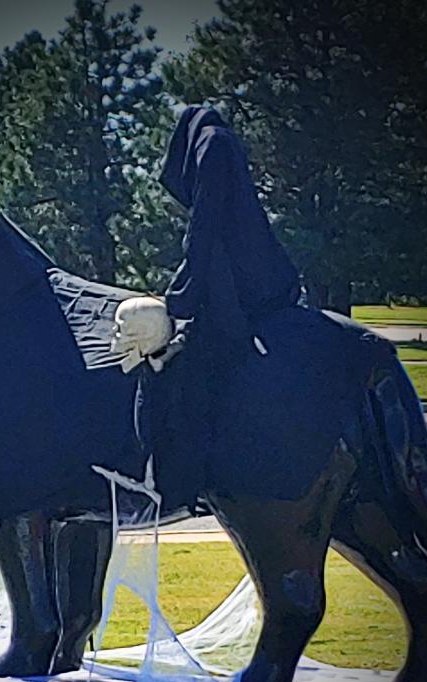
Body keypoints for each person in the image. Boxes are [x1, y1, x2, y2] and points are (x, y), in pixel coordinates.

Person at [138, 106, 300, 512]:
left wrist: (177, 302)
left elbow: (203, 233)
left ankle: (183, 484)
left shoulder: (211, 147)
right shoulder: (222, 143)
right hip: (259, 283)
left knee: (184, 375)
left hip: (243, 292)